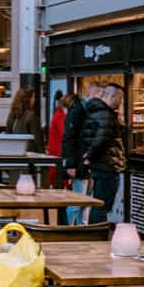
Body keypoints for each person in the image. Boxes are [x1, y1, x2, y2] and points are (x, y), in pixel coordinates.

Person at [79, 83, 125, 225]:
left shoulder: (94, 111)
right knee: (102, 205)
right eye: (120, 99)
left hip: (99, 164)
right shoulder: (106, 114)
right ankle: (98, 235)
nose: (121, 102)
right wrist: (89, 156)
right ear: (112, 97)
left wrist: (89, 157)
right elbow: (102, 138)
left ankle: (95, 232)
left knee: (98, 203)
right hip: (107, 164)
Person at [62, 84, 100, 224]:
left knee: (83, 200)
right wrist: (70, 164)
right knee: (79, 200)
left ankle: (79, 228)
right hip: (80, 163)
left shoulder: (83, 110)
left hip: (84, 162)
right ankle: (70, 229)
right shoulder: (79, 110)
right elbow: (69, 138)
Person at [47, 91, 75, 187]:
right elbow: (66, 133)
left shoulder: (57, 114)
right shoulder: (60, 116)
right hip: (59, 154)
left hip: (56, 154)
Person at [5, 86, 43, 154]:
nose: (34, 100)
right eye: (33, 97)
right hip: (30, 156)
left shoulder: (12, 115)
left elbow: (8, 136)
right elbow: (38, 141)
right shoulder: (31, 116)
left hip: (16, 154)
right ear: (27, 99)